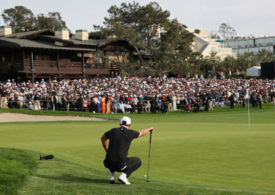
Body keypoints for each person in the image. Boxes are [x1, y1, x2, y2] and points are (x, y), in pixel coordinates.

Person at [101, 116, 154, 185]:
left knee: (112, 158)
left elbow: (103, 138)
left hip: (107, 163)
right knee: (138, 161)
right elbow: (142, 132)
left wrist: (107, 149)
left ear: (120, 124)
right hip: (120, 166)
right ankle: (124, 176)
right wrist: (150, 128)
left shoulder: (113, 131)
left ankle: (112, 177)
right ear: (129, 125)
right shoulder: (130, 133)